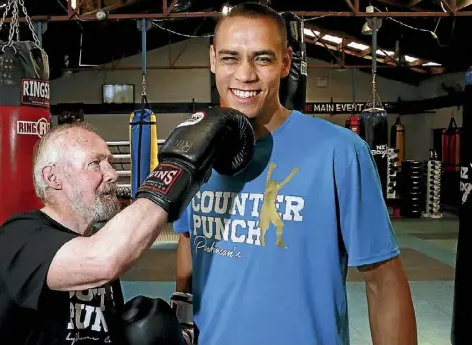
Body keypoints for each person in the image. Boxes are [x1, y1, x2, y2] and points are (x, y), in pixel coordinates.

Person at [173, 3, 418, 345]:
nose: (245, 75)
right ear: (213, 60)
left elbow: (384, 283)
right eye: (230, 57)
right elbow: (188, 238)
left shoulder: (340, 152)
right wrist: (181, 318)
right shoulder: (191, 147)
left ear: (286, 62)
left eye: (262, 58)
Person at [0, 107, 255, 345]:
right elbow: (102, 259)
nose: (113, 174)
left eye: (111, 162)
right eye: (95, 163)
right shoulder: (18, 236)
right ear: (53, 177)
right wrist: (179, 165)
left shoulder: (98, 239)